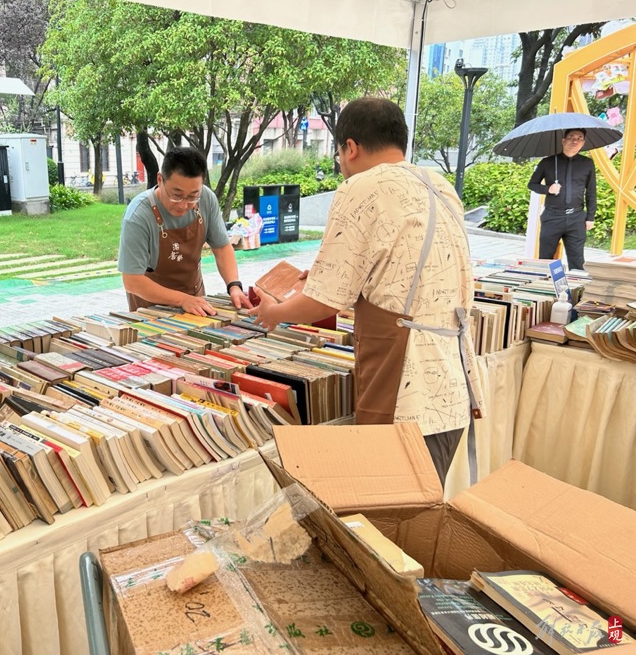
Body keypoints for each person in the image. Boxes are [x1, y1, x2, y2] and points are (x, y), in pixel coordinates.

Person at [248, 98, 484, 486]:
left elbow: (324, 302)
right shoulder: (438, 184)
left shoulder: (361, 187)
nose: (341, 165)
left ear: (350, 147)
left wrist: (275, 312)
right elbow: (405, 273)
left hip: (405, 386)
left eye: (340, 154)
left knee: (390, 507)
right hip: (453, 382)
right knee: (424, 501)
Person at [117, 146, 252, 316]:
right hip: (151, 310)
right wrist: (182, 299)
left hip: (195, 302)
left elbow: (222, 248)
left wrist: (234, 285)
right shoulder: (138, 216)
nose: (183, 205)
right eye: (176, 195)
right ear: (160, 180)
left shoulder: (207, 199)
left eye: (192, 196)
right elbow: (132, 281)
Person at [527, 128, 596, 271]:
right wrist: (548, 189)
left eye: (579, 138)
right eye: (571, 137)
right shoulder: (548, 162)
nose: (575, 140)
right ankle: (544, 287)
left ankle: (577, 291)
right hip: (552, 216)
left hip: (576, 217)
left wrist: (590, 217)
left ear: (583, 143)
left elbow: (591, 191)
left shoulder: (587, 164)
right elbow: (532, 184)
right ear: (563, 140)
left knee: (577, 259)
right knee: (545, 258)